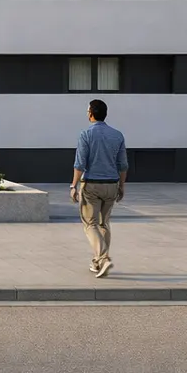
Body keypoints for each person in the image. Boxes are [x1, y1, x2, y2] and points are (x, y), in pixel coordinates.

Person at [71, 98, 128, 278]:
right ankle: (97, 263)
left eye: (87, 111)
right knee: (104, 223)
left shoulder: (86, 135)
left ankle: (103, 258)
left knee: (90, 224)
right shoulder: (117, 135)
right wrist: (121, 186)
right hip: (112, 184)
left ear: (91, 114)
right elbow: (123, 164)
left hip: (92, 185)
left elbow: (80, 164)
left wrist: (73, 185)